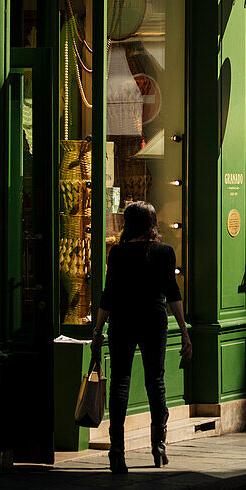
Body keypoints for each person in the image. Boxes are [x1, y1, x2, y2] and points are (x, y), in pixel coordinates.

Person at [91, 201, 192, 474]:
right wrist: (184, 331)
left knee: (120, 383)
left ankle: (116, 452)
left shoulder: (117, 253)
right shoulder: (164, 252)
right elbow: (173, 294)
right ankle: (159, 448)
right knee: (155, 382)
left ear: (128, 223)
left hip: (122, 321)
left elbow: (108, 294)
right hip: (153, 320)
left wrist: (98, 330)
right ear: (152, 223)